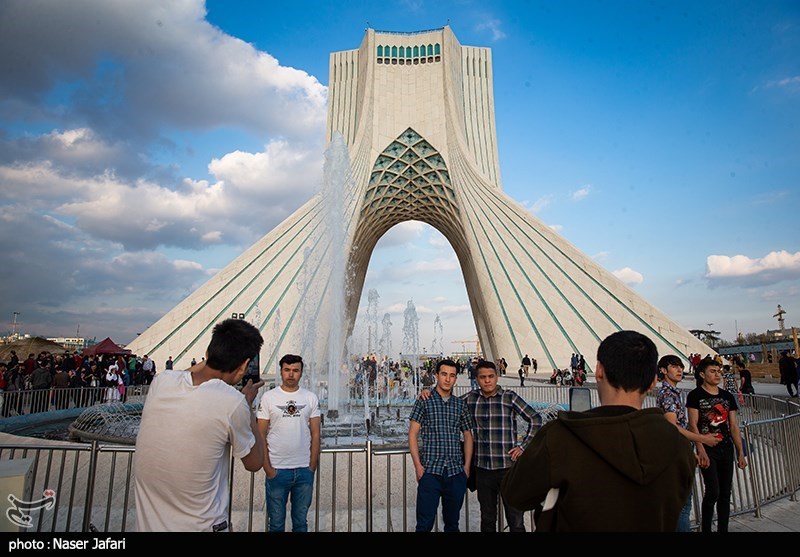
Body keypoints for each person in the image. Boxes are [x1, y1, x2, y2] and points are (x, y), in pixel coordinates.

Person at [500, 330, 695, 531]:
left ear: (599, 371)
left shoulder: (559, 437)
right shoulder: (678, 444)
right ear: (654, 381)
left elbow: (516, 494)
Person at [134, 318, 265, 531]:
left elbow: (188, 374)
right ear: (243, 366)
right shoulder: (232, 403)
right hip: (202, 526)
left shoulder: (161, 383)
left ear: (208, 352)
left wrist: (212, 358)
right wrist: (247, 404)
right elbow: (255, 462)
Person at [408, 359, 476, 532]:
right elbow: (413, 434)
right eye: (444, 374)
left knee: (452, 525)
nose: (447, 379)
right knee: (424, 525)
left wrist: (466, 467)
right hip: (430, 471)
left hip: (455, 472)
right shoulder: (424, 400)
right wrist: (418, 466)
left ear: (455, 378)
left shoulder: (460, 405)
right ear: (436, 375)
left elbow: (468, 435)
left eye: (452, 375)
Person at [656, 354, 721, 532]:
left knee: (683, 504)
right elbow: (673, 427)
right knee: (683, 506)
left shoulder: (673, 393)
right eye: (674, 366)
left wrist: (696, 449)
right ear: (663, 370)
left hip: (682, 450)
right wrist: (703, 439)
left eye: (681, 367)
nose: (679, 370)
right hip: (676, 454)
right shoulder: (667, 394)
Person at [257, 354, 321, 532]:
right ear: (281, 371)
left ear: (301, 373)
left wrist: (312, 466)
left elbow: (316, 434)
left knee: (301, 522)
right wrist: (268, 469)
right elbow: (260, 434)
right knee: (276, 524)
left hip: (303, 471)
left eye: (295, 370)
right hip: (277, 471)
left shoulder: (310, 398)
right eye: (287, 370)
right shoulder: (269, 398)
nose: (291, 374)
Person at [687, 357, 747, 533]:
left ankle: (723, 529)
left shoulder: (727, 396)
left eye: (718, 371)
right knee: (713, 490)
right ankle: (706, 528)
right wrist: (700, 449)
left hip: (725, 447)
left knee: (725, 492)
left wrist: (740, 452)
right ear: (702, 374)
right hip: (707, 448)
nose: (717, 375)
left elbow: (734, 426)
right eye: (712, 371)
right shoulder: (695, 396)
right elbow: (693, 424)